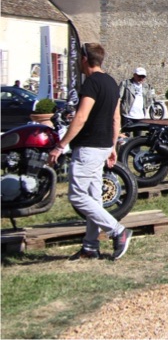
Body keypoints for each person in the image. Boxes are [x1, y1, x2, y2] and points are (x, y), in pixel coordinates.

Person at [47, 43, 131, 261]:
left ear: (85, 59)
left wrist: (60, 145)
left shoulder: (92, 83)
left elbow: (81, 117)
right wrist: (112, 146)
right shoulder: (112, 82)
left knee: (77, 196)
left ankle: (118, 231)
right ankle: (90, 247)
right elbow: (116, 118)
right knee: (94, 198)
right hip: (102, 147)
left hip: (88, 148)